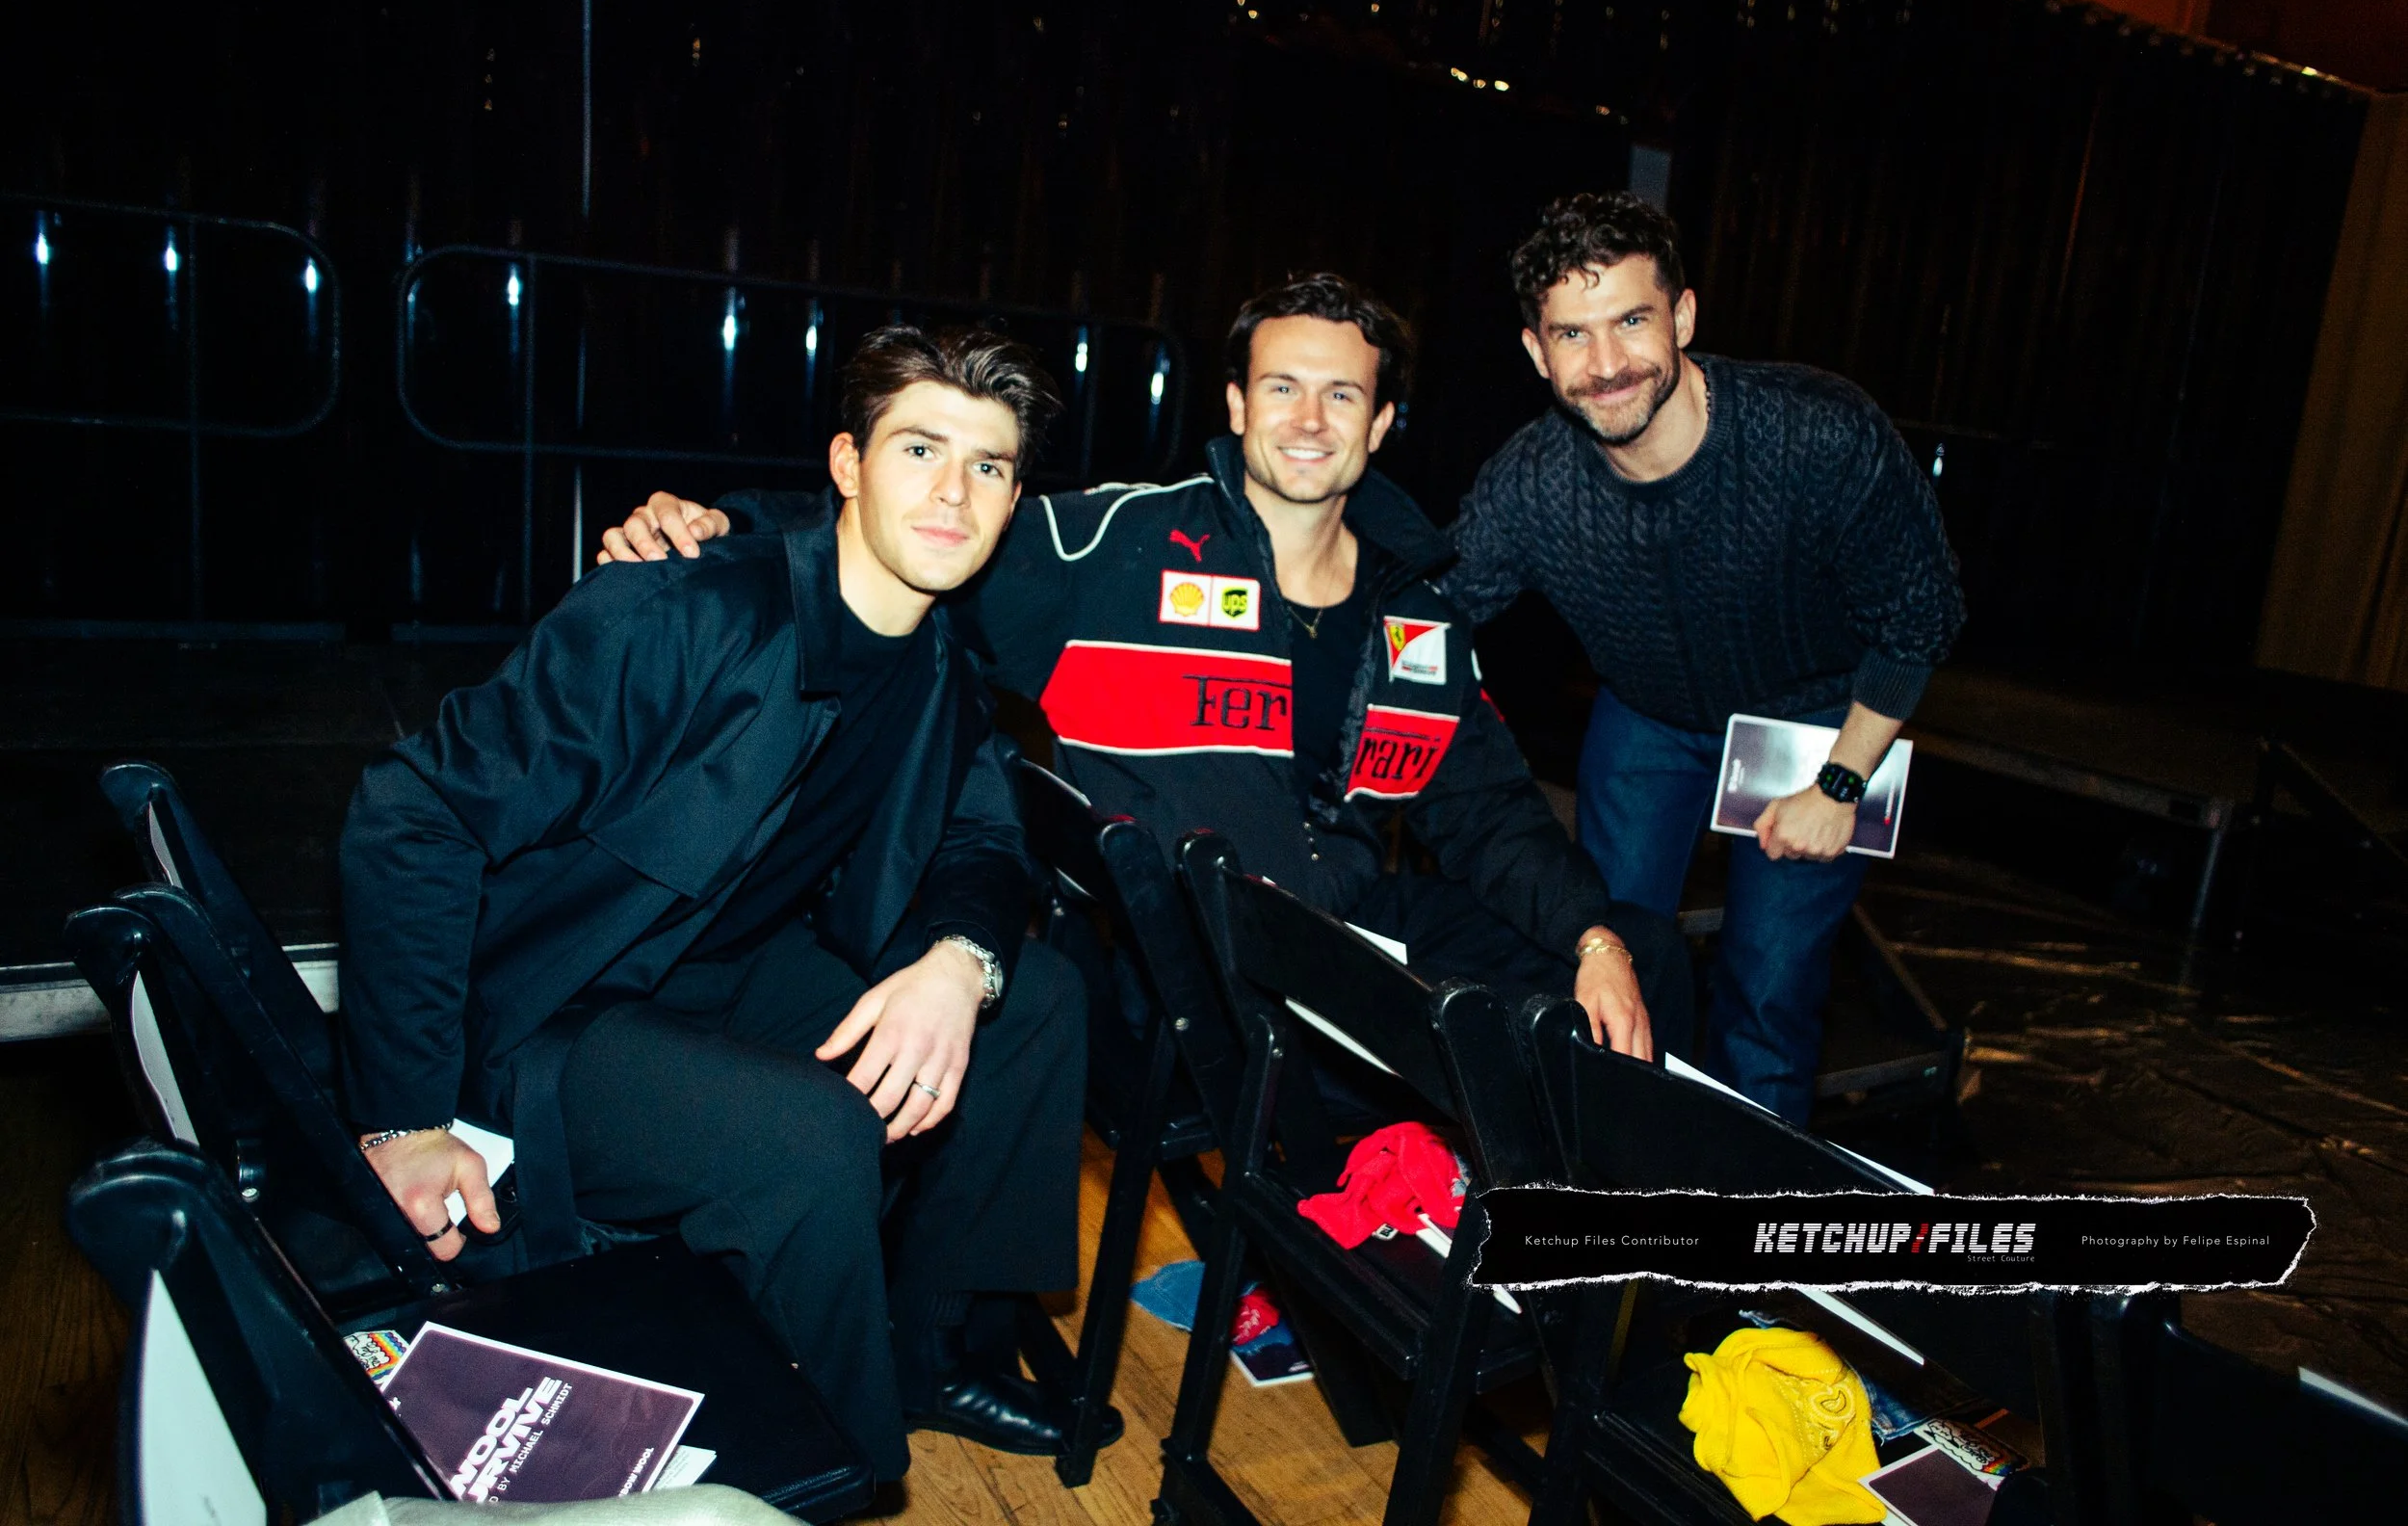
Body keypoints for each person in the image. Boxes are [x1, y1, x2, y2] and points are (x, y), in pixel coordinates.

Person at [337, 326, 1103, 1485]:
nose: (952, 491)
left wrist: (960, 962)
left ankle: (935, 1352)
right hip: (555, 1007)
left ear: (1011, 498)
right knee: (813, 1137)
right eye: (919, 449)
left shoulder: (942, 652)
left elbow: (987, 836)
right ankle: (824, 1473)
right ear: (847, 463)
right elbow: (411, 812)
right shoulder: (679, 613)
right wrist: (400, 1120)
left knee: (1030, 996)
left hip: (727, 964)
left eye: (986, 465)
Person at [603, 277, 1692, 1062]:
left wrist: (1591, 939)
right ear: (1237, 405)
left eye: (1342, 396)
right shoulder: (1115, 547)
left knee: (1637, 955)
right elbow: (916, 529)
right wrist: (720, 527)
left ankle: (1611, 1265)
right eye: (1282, 388)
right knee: (1481, 1040)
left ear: (1381, 424)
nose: (1309, 421)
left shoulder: (1421, 612)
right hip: (1193, 960)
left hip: (1359, 932)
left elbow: (1492, 814)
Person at [1440, 192, 1966, 1122]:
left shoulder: (1816, 434)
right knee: (1605, 959)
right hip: (1647, 711)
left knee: (1768, 992)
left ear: (1682, 315)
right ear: (1536, 352)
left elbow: (1921, 617)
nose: (1607, 365)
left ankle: (1747, 1206)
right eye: (1572, 335)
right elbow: (1433, 610)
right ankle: (1623, 1167)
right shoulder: (1532, 481)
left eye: (1631, 321)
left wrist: (1842, 784)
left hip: (1815, 718)